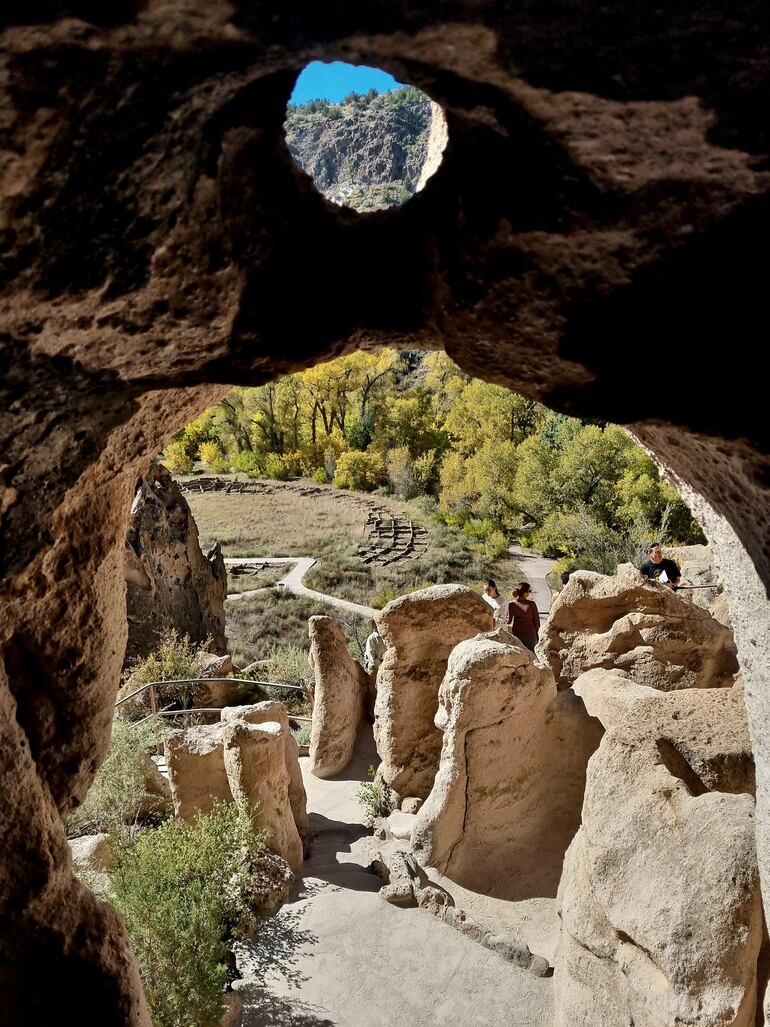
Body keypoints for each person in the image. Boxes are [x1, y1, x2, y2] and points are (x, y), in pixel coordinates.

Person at [507, 582, 540, 651]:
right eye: (529, 591)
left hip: (517, 633)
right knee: (531, 656)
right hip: (530, 634)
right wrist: (538, 635)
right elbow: (537, 621)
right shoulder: (531, 604)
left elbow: (509, 621)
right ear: (525, 593)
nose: (529, 593)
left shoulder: (512, 604)